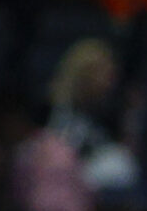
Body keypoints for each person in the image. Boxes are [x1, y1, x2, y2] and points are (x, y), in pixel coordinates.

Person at [47, 39, 141, 193]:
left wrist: (133, 114)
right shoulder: (55, 107)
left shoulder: (111, 109)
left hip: (88, 179)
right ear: (85, 73)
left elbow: (128, 153)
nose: (111, 82)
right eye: (104, 75)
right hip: (60, 174)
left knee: (121, 162)